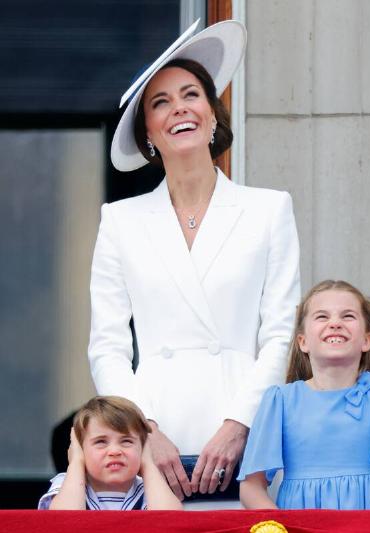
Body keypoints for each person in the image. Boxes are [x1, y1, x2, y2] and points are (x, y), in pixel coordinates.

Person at [89, 20, 301, 505]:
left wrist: (239, 424)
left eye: (191, 95)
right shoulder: (120, 220)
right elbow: (107, 346)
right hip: (153, 433)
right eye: (160, 102)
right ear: (148, 133)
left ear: (212, 115)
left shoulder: (268, 209)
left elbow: (281, 334)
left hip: (247, 434)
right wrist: (141, 430)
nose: (179, 108)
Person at [238, 280, 370, 510]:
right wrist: (279, 526)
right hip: (300, 525)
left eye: (348, 316)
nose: (335, 323)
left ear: (367, 340)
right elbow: (251, 486)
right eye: (322, 316)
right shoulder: (280, 401)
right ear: (303, 342)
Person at [39, 396, 182, 510]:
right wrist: (76, 462)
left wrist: (148, 464)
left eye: (126, 441)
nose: (114, 451)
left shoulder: (151, 488)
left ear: (143, 448)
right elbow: (64, 521)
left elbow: (170, 521)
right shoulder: (68, 483)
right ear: (81, 450)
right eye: (101, 442)